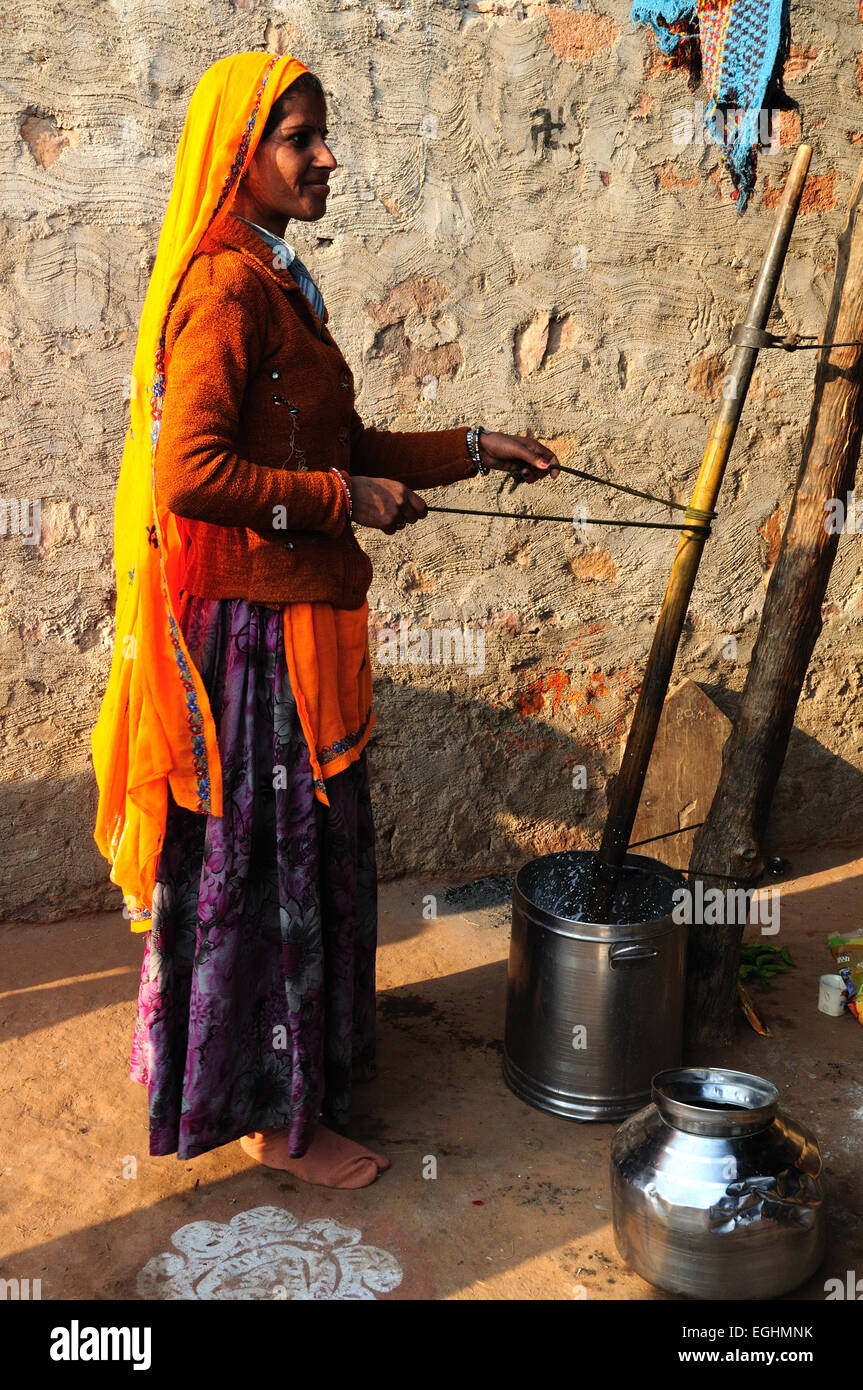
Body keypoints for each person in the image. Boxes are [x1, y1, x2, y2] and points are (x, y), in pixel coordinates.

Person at [91, 51, 561, 1191]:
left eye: (321, 134)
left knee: (302, 858)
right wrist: (338, 500)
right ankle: (268, 1115)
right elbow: (189, 475)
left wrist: (465, 449)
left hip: (291, 621)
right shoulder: (223, 290)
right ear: (240, 155)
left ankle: (290, 1073)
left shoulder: (276, 276)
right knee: (265, 868)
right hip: (250, 643)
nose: (326, 157)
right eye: (300, 137)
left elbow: (322, 447)